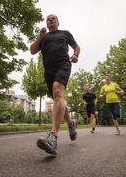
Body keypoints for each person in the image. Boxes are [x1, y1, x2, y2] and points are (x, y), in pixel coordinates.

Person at [30, 14, 81, 155]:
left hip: (63, 65)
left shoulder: (65, 34)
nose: (50, 20)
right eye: (48, 19)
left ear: (58, 22)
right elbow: (33, 50)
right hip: (49, 70)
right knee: (59, 99)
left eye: (53, 19)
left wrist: (76, 55)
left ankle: (53, 137)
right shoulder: (44, 37)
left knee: (57, 91)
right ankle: (71, 124)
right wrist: (40, 36)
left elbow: (76, 46)